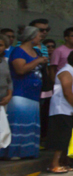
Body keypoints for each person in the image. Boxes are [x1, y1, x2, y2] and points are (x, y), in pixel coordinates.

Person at [2, 25, 48, 160]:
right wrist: (38, 61)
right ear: (32, 37)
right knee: (18, 124)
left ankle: (27, 151)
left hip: (34, 94)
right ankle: (13, 152)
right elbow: (20, 70)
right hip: (20, 93)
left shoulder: (37, 52)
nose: (41, 38)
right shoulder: (18, 51)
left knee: (30, 123)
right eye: (39, 35)